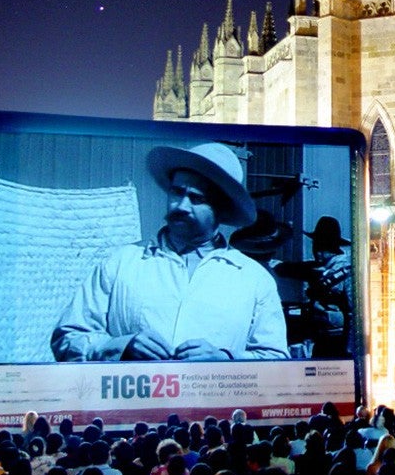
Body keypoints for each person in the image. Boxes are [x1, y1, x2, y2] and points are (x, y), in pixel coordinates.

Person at [51, 141, 289, 361]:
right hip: (133, 405)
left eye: (196, 198)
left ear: (222, 208)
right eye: (177, 192)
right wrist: (121, 347)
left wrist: (225, 361)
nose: (181, 206)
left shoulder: (252, 279)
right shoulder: (122, 263)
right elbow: (68, 338)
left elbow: (276, 360)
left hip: (211, 406)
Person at [273, 215, 353, 357]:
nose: (317, 251)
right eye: (316, 245)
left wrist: (349, 349)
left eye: (323, 246)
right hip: (319, 339)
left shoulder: (347, 273)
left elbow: (354, 314)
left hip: (338, 342)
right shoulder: (316, 268)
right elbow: (288, 269)